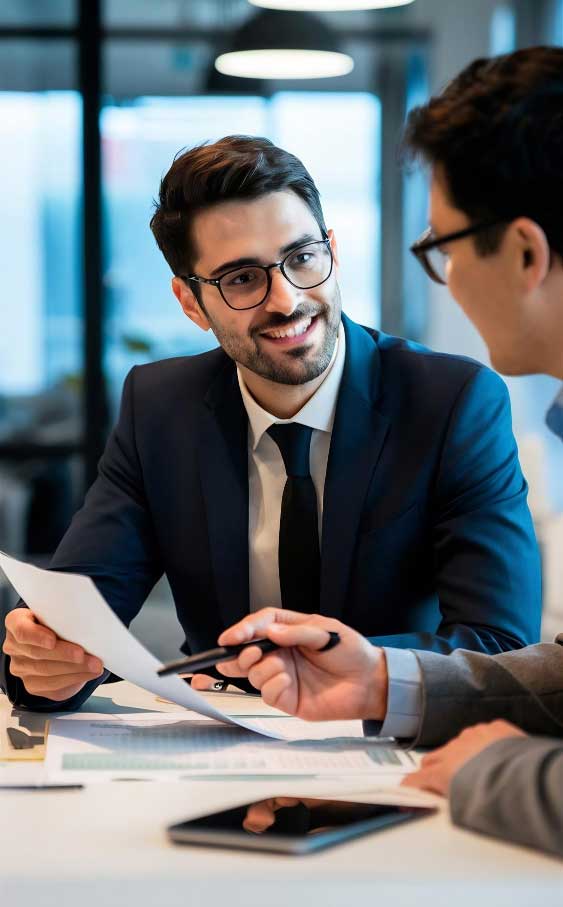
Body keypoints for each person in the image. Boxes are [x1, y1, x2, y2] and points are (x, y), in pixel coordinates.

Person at [1, 135, 540, 718]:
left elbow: (499, 646)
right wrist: (43, 665)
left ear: (332, 250)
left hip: (396, 741)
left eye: (303, 257)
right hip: (219, 750)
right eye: (241, 279)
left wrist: (354, 671)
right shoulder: (161, 408)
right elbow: (79, 622)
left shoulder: (451, 402)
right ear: (190, 302)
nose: (286, 300)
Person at [214, 47, 563, 858]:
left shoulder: (450, 399)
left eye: (441, 247)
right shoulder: (161, 400)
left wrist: (500, 768)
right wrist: (383, 680)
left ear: (522, 252)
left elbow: (498, 630)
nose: (444, 278)